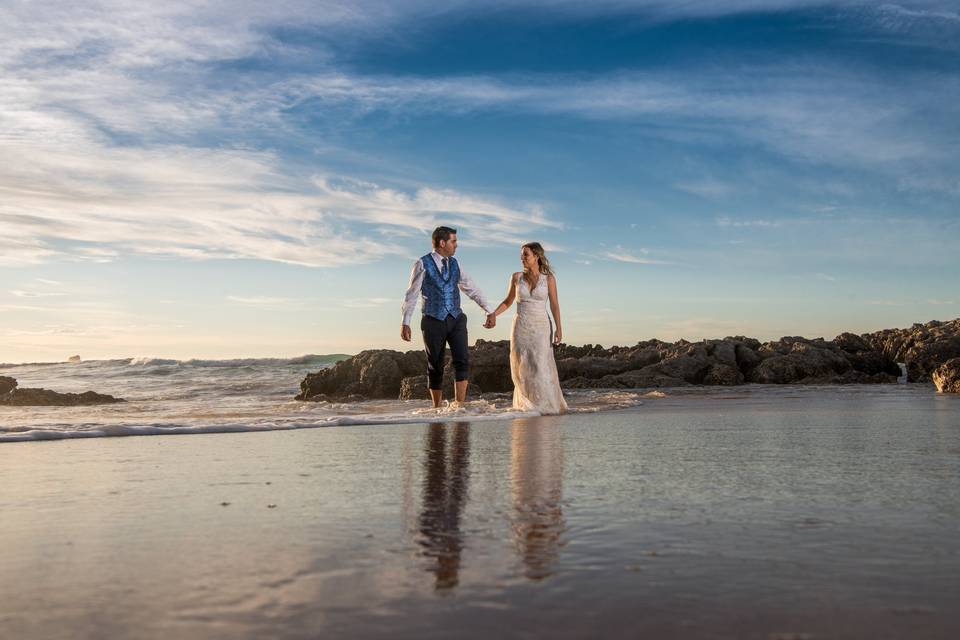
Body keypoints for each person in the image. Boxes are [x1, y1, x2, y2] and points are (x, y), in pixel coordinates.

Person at [401, 226, 496, 408]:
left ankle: (459, 406)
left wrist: (488, 310)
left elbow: (471, 288)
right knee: (435, 364)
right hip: (432, 320)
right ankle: (436, 408)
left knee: (462, 360)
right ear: (442, 242)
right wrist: (405, 322)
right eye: (454, 241)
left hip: (456, 319)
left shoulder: (455, 264)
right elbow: (411, 295)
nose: (456, 245)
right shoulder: (422, 264)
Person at [486, 242, 568, 414]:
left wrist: (559, 329)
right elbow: (508, 301)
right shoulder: (516, 277)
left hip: (541, 326)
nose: (521, 258)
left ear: (536, 256)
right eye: (521, 255)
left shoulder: (549, 279)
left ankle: (544, 406)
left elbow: (554, 305)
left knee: (540, 365)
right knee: (522, 367)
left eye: (525, 255)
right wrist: (493, 314)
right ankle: (527, 407)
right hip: (521, 326)